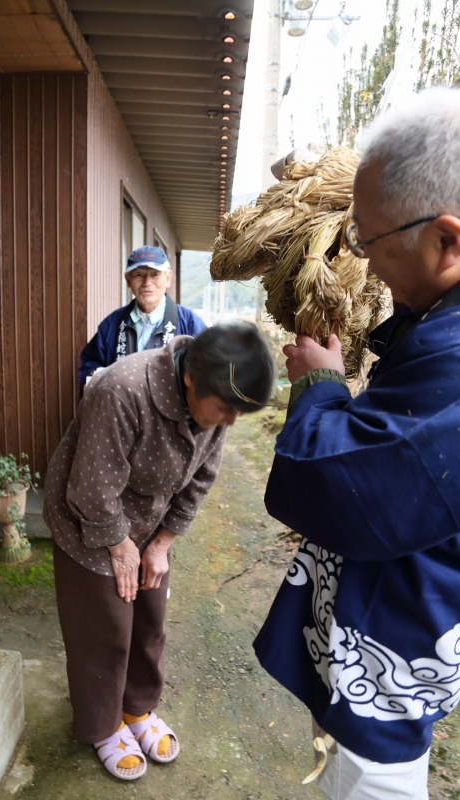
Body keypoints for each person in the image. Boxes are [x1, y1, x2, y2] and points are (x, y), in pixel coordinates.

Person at [253, 85, 460, 799]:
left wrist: (320, 386)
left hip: (400, 650)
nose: (363, 263)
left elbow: (344, 487)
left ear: (446, 240)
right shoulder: (439, 320)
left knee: (377, 775)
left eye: (368, 241)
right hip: (393, 626)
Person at [44, 322, 274, 782]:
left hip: (150, 519)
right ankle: (104, 725)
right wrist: (119, 545)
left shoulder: (215, 404)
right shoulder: (122, 390)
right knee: (104, 628)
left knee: (149, 619)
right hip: (88, 517)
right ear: (190, 378)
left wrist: (162, 543)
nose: (229, 422)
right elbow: (90, 489)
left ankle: (137, 709)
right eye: (226, 410)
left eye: (237, 416)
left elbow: (204, 474)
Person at [78, 245, 206, 393]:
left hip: (173, 414)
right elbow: (90, 363)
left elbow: (208, 368)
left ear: (168, 278)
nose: (147, 282)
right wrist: (93, 377)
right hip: (122, 413)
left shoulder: (190, 323)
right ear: (128, 280)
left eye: (155, 274)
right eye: (139, 274)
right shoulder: (112, 324)